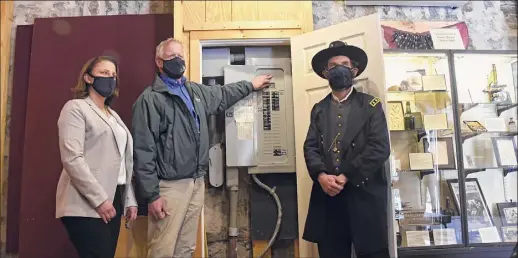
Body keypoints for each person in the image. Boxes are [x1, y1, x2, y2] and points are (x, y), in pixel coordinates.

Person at [132, 37, 272, 258]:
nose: (177, 61)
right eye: (171, 57)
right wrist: (152, 195)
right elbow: (143, 150)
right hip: (169, 187)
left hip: (196, 182)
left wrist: (250, 85)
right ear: (159, 62)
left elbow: (223, 95)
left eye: (181, 56)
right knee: (162, 250)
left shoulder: (195, 92)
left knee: (186, 248)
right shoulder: (149, 101)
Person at [302, 41, 391, 258]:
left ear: (354, 70)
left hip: (365, 194)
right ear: (326, 73)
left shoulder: (371, 105)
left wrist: (347, 175)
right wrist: (321, 175)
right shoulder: (319, 109)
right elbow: (310, 147)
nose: (339, 68)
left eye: (344, 63)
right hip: (329, 197)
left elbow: (379, 148)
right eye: (333, 65)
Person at [56, 56, 138, 258]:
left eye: (113, 75)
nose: (110, 78)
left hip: (114, 198)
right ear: (88, 78)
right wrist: (100, 200)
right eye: (104, 73)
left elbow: (123, 162)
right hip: (85, 203)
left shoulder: (113, 115)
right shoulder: (76, 108)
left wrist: (129, 199)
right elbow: (72, 159)